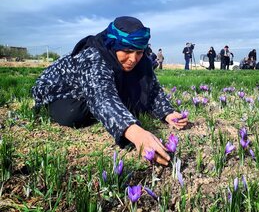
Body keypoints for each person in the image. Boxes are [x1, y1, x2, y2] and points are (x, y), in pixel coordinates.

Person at [31, 16, 188, 166]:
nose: (133, 58)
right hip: (62, 90)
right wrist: (136, 133)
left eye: (139, 52)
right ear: (113, 45)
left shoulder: (141, 59)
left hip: (96, 88)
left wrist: (168, 113)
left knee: (130, 103)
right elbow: (102, 97)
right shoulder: (93, 55)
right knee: (73, 115)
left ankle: (109, 114)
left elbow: (151, 87)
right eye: (127, 51)